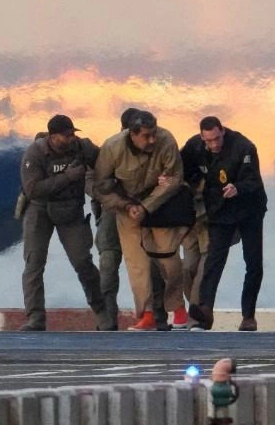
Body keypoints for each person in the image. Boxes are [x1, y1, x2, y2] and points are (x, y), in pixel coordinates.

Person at [93, 110, 188, 331]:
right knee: (137, 264)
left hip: (160, 204)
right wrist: (127, 206)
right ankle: (147, 314)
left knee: (169, 259)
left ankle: (178, 308)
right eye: (146, 136)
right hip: (128, 208)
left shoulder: (166, 140)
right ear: (132, 134)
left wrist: (147, 206)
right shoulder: (112, 147)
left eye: (154, 133)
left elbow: (175, 177)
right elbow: (101, 186)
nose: (152, 139)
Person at [19, 114, 113, 331]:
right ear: (52, 137)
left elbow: (106, 165)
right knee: (34, 264)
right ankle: (35, 318)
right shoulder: (34, 154)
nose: (71, 138)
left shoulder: (82, 147)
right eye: (66, 135)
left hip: (70, 209)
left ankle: (103, 314)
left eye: (72, 133)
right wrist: (68, 177)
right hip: (40, 210)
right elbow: (32, 189)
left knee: (83, 262)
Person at [184, 116, 267, 331]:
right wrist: (168, 178)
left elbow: (253, 180)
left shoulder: (244, 147)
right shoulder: (195, 146)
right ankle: (205, 311)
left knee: (253, 263)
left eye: (217, 139)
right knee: (213, 260)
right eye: (209, 141)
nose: (214, 144)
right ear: (202, 137)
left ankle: (248, 316)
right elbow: (181, 168)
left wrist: (237, 187)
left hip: (249, 209)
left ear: (223, 131)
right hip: (220, 209)